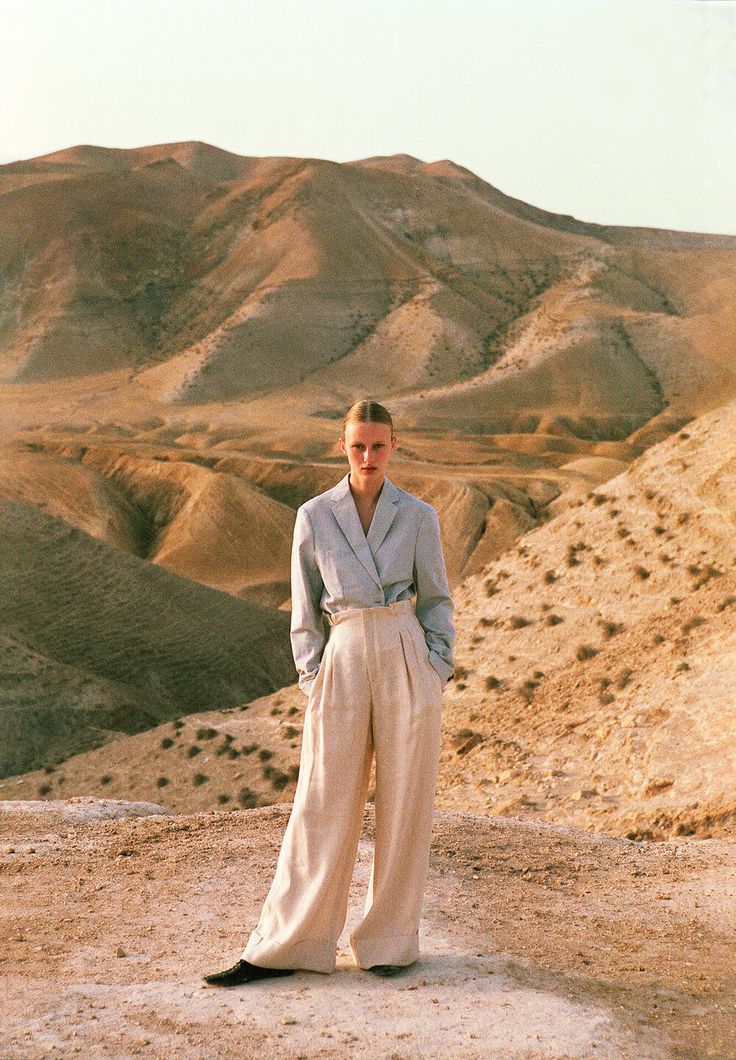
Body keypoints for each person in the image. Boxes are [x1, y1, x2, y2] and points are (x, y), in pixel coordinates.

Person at [204, 400, 455, 986]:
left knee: (405, 802)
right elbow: (304, 606)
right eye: (358, 445)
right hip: (342, 652)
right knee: (321, 802)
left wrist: (435, 667)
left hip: (403, 648)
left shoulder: (419, 516)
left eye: (378, 445)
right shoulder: (314, 515)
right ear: (343, 447)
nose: (368, 457)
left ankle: (389, 943)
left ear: (394, 446)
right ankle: (287, 944)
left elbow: (437, 599)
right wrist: (313, 676)